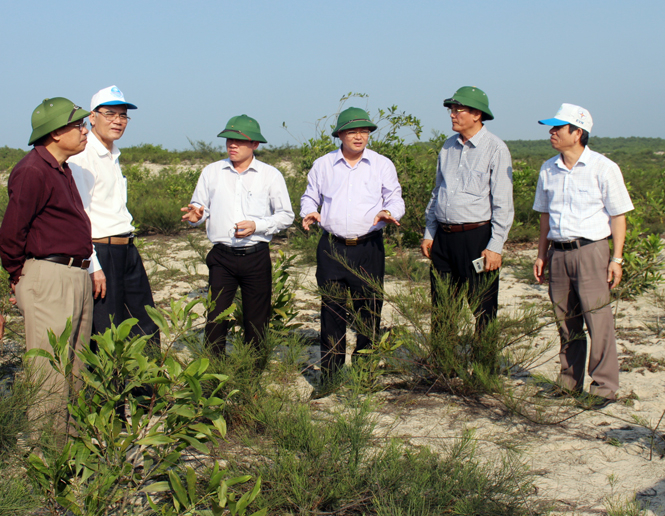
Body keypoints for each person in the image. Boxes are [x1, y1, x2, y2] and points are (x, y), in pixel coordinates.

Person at [0, 97, 93, 429]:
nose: (85, 131)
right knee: (50, 375)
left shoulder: (61, 169)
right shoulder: (32, 170)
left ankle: (75, 461)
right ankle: (47, 466)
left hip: (75, 274)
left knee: (76, 369)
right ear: (55, 132)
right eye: (78, 125)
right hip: (49, 275)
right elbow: (12, 230)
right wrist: (18, 273)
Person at [533, 103, 633, 407]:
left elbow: (618, 217)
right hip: (559, 253)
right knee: (566, 320)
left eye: (558, 128)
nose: (551, 132)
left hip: (591, 250)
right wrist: (541, 254)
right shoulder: (548, 168)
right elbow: (545, 218)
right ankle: (569, 381)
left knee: (598, 320)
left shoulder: (604, 167)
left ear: (577, 132)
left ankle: (603, 387)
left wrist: (616, 258)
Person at [300, 107, 405, 377]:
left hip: (368, 248)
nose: (359, 136)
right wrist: (309, 211)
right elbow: (310, 196)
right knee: (331, 311)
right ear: (340, 135)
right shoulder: (323, 164)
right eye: (352, 131)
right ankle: (331, 376)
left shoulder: (382, 164)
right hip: (332, 247)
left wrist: (389, 212)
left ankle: (363, 374)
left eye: (364, 131)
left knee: (368, 311)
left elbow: (394, 197)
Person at [182, 115, 294, 358]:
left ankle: (252, 376)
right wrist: (196, 217)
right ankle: (214, 372)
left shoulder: (270, 175)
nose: (232, 145)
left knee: (257, 320)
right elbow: (200, 209)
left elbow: (286, 215)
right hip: (222, 257)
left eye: (240, 141)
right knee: (215, 318)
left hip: (256, 256)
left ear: (255, 145)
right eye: (229, 140)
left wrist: (258, 225)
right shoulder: (211, 172)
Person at [68, 85, 159, 345]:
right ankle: (108, 386)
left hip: (126, 248)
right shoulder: (83, 156)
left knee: (144, 323)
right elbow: (80, 215)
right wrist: (93, 266)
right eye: (110, 114)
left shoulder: (113, 154)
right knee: (107, 328)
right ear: (92, 117)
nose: (117, 121)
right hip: (101, 252)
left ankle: (144, 386)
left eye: (123, 116)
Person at [421, 86, 513, 331]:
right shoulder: (447, 147)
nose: (452, 114)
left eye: (458, 109)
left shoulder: (496, 148)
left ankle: (484, 366)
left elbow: (503, 204)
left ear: (477, 114)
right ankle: (443, 367)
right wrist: (429, 233)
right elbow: (437, 191)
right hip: (443, 238)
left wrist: (495, 247)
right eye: (451, 109)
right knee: (442, 308)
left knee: (482, 309)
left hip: (476, 239)